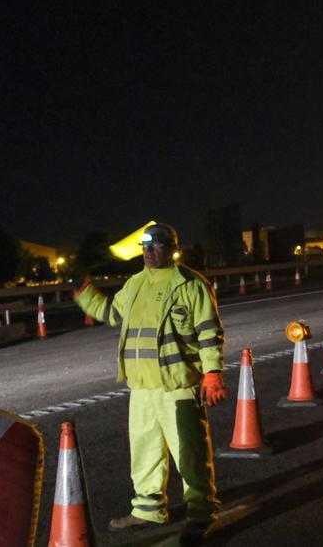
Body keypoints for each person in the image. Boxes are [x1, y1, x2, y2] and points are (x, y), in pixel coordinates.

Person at [73, 223, 226, 545]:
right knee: (145, 452)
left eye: (155, 246)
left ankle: (201, 512)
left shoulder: (190, 284)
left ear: (171, 248)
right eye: (144, 246)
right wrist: (85, 293)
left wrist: (212, 374)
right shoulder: (135, 284)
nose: (148, 252)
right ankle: (147, 509)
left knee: (190, 452)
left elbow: (209, 333)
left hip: (179, 385)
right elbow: (109, 312)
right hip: (142, 387)